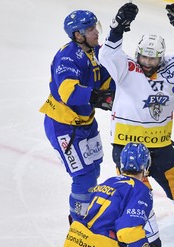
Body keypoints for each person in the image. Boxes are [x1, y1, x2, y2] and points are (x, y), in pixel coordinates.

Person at [99, 2, 174, 238]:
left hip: (161, 146)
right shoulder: (126, 67)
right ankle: (150, 243)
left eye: (153, 59)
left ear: (161, 57)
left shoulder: (172, 66)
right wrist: (117, 28)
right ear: (137, 53)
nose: (147, 63)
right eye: (144, 57)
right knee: (138, 197)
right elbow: (107, 53)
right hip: (127, 147)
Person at [40, 10, 115, 221]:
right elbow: (68, 91)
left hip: (86, 122)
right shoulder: (68, 56)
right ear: (78, 35)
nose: (96, 32)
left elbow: (108, 80)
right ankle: (79, 225)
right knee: (83, 176)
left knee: (94, 169)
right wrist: (96, 97)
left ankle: (86, 215)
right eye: (90, 29)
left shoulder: (96, 52)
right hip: (64, 126)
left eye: (95, 27)